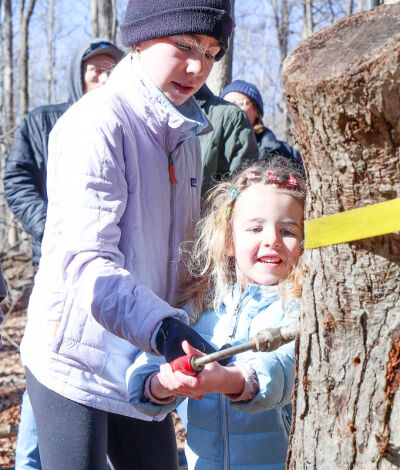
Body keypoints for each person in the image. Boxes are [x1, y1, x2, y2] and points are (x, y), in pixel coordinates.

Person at [18, 1, 233, 469]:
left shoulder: (185, 132)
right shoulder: (95, 123)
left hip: (141, 359)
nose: (199, 67)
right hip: (75, 358)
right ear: (139, 38)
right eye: (184, 45)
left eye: (213, 52)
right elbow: (87, 261)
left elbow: (182, 254)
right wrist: (164, 328)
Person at [127, 158, 305, 470]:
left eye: (287, 230)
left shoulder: (298, 308)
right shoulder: (198, 308)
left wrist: (226, 379)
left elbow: (282, 369)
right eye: (255, 228)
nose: (272, 239)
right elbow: (145, 371)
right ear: (228, 241)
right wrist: (165, 383)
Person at [3, 38, 124, 470]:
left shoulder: (129, 126)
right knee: (52, 370)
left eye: (113, 67)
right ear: (79, 73)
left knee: (104, 382)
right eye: (96, 69)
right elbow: (16, 181)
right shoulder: (46, 121)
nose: (105, 76)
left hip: (114, 278)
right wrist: (49, 228)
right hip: (56, 273)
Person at [194, 84, 258, 197]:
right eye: (228, 101)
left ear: (257, 110)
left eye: (241, 102)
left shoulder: (232, 117)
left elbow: (237, 191)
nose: (234, 105)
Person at [221, 79, 302, 164]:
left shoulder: (283, 153)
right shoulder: (211, 147)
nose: (232, 109)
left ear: (256, 110)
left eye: (241, 103)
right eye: (226, 104)